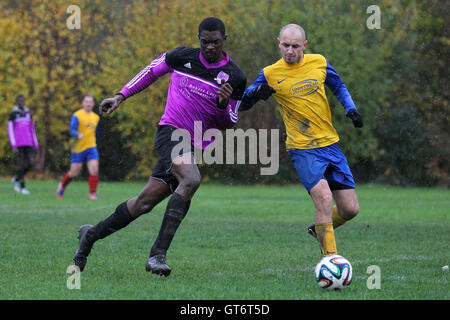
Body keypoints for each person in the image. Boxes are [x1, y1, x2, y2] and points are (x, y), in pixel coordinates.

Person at [72, 17, 246, 276]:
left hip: (195, 145)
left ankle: (90, 235)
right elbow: (151, 71)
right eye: (205, 41)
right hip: (171, 132)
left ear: (225, 40)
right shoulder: (181, 57)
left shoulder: (235, 76)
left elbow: (229, 122)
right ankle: (157, 256)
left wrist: (222, 105)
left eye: (215, 42)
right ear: (199, 39)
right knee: (191, 178)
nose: (210, 47)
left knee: (143, 203)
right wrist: (121, 95)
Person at [240, 24, 363, 257]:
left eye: (295, 46)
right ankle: (331, 262)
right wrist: (255, 94)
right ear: (278, 43)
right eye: (285, 45)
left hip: (329, 144)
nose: (289, 51)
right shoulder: (270, 73)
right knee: (324, 199)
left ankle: (319, 230)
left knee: (350, 209)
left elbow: (339, 86)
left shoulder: (319, 62)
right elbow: (243, 103)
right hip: (302, 148)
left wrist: (351, 109)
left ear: (304, 46)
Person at [57, 95, 100, 200]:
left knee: (94, 170)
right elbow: (71, 130)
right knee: (75, 172)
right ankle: (62, 186)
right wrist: (77, 135)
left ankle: (92, 194)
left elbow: (97, 133)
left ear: (93, 104)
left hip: (91, 147)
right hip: (78, 147)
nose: (88, 104)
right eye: (86, 102)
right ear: (82, 103)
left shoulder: (96, 117)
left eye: (90, 102)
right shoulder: (77, 115)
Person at [8, 94, 39, 195]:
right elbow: (10, 130)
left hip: (28, 143)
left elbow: (32, 129)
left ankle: (17, 178)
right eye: (20, 100)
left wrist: (35, 144)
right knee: (20, 165)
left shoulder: (28, 113)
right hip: (18, 144)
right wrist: (13, 145)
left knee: (31, 163)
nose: (22, 102)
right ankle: (22, 188)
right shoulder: (13, 114)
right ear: (17, 102)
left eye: (23, 100)